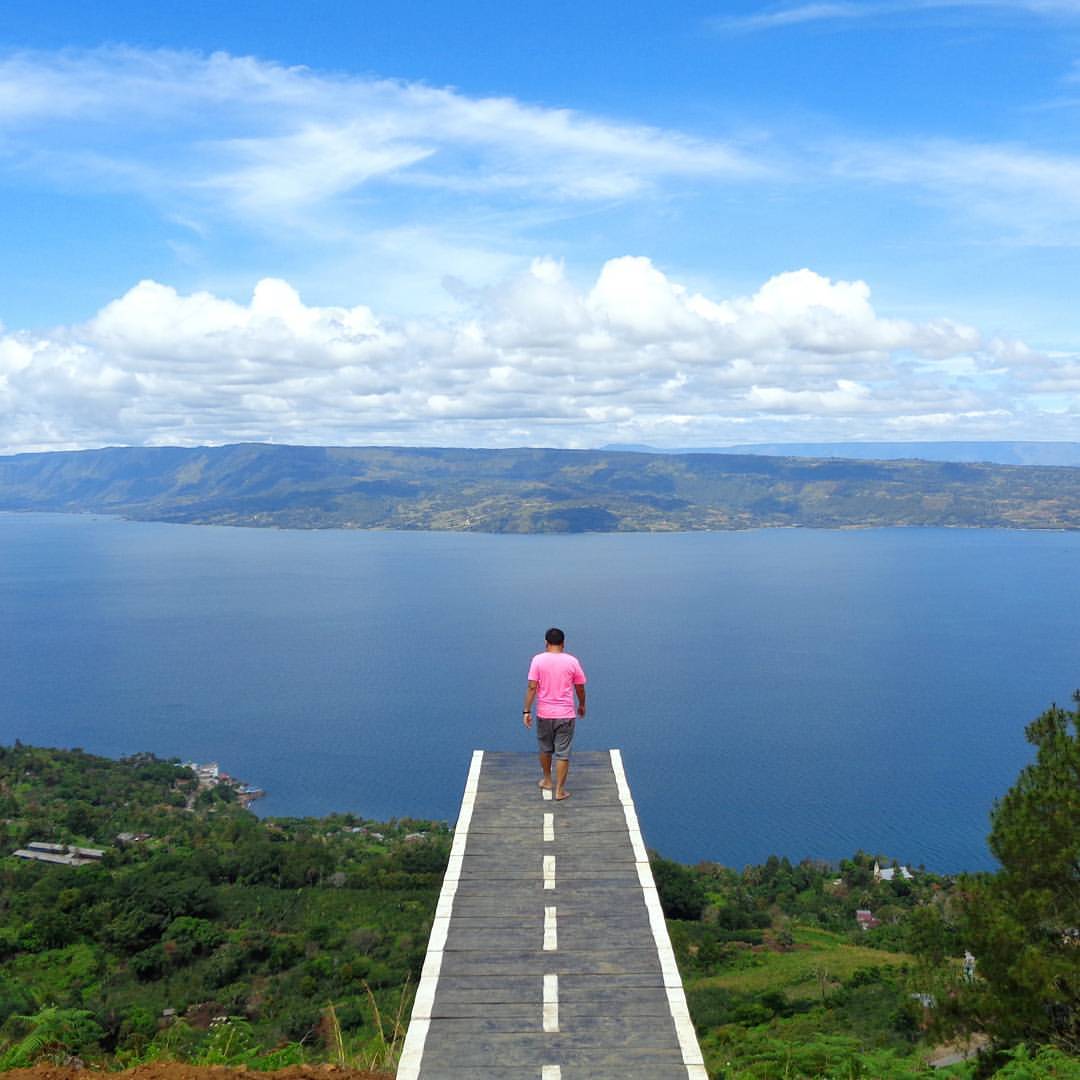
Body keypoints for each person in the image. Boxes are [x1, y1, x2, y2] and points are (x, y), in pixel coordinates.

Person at [522, 627, 586, 801]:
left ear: (546, 643)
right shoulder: (572, 661)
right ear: (563, 643)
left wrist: (527, 710)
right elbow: (579, 687)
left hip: (544, 713)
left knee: (545, 747)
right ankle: (560, 790)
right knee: (563, 753)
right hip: (565, 714)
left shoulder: (537, 660)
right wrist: (582, 705)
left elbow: (532, 687)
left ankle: (548, 780)